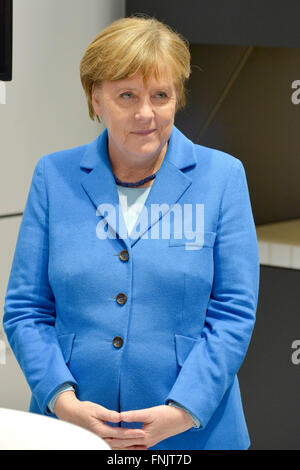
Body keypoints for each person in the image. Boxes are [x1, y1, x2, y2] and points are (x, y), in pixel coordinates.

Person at [3, 15, 260, 450]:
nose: (147, 113)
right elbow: (26, 310)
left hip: (193, 433)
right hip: (72, 428)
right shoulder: (54, 176)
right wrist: (64, 403)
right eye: (127, 95)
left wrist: (182, 411)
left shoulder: (222, 177)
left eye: (161, 95)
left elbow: (233, 313)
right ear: (95, 99)